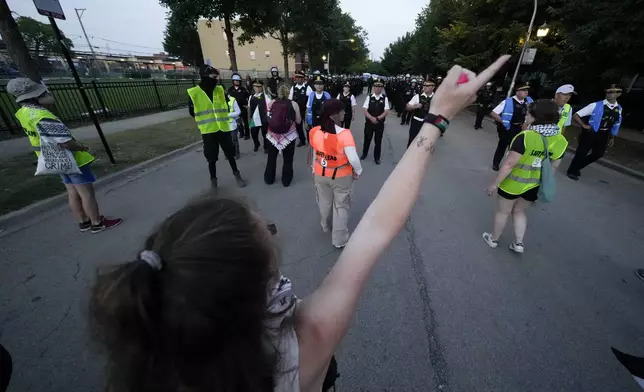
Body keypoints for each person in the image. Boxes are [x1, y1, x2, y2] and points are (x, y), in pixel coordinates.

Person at [88, 55, 510, 392]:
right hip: (339, 178)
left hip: (323, 178)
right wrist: (438, 119)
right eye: (268, 231)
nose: (273, 230)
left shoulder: (148, 361)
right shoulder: (298, 351)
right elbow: (378, 225)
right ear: (258, 280)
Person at [7, 78, 123, 233]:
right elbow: (65, 142)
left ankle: (83, 222)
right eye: (42, 92)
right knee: (86, 193)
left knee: (72, 191)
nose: (46, 94)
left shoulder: (23, 113)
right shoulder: (42, 115)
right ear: (34, 96)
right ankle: (97, 222)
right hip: (71, 159)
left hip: (53, 159)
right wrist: (82, 147)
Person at [483, 99, 568, 253]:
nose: (526, 117)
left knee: (503, 211)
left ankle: (493, 239)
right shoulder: (561, 140)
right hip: (534, 186)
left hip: (513, 183)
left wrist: (494, 184)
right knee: (520, 211)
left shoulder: (526, 136)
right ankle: (519, 243)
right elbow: (554, 166)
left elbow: (509, 164)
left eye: (528, 114)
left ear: (536, 118)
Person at [309, 99, 363, 249]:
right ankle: (339, 240)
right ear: (334, 114)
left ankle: (325, 224)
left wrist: (314, 168)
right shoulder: (344, 134)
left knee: (324, 201)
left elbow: (315, 153)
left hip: (320, 174)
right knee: (341, 206)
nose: (344, 113)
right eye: (342, 111)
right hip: (341, 176)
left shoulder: (315, 131)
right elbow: (353, 158)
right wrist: (358, 171)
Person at [188, 65, 246, 188]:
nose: (215, 79)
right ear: (204, 77)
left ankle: (237, 175)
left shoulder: (219, 90)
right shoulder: (194, 93)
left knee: (230, 154)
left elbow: (225, 104)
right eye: (213, 77)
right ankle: (213, 181)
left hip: (223, 129)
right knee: (211, 158)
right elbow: (192, 112)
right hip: (208, 131)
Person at [566, 84, 623, 181]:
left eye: (612, 92)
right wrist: (583, 125)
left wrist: (612, 137)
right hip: (591, 132)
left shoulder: (619, 109)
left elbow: (616, 123)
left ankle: (577, 166)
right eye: (608, 92)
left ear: (618, 94)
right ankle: (572, 171)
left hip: (604, 134)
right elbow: (576, 115)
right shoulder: (595, 105)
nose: (609, 94)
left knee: (598, 153)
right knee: (582, 153)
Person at [490, 83, 533, 171]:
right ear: (517, 92)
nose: (526, 92)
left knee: (516, 149)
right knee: (502, 147)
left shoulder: (529, 101)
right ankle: (496, 163)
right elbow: (494, 113)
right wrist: (503, 121)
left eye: (527, 91)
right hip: (508, 128)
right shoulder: (508, 101)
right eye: (523, 90)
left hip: (521, 129)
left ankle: (511, 166)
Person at [265, 84, 301, 187]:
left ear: (278, 92)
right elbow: (298, 121)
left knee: (271, 158)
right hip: (288, 136)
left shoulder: (272, 102)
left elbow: (268, 118)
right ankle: (286, 180)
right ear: (289, 92)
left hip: (272, 135)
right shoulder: (294, 104)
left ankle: (269, 179)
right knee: (288, 159)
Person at [360, 77, 390, 164]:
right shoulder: (369, 97)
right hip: (369, 123)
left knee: (378, 141)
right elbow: (365, 109)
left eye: (380, 87)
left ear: (382, 88)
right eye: (376, 86)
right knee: (367, 139)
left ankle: (377, 158)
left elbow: (386, 111)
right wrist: (371, 118)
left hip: (379, 124)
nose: (378, 88)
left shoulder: (385, 98)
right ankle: (364, 154)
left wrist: (377, 118)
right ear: (373, 87)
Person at [405, 79, 435, 147]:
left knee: (425, 144)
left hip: (429, 124)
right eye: (424, 85)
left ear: (433, 87)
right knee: (412, 141)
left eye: (427, 86)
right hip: (416, 122)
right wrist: (415, 107)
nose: (425, 87)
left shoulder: (436, 98)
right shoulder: (417, 96)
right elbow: (407, 106)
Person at [289, 70, 313, 147]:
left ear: (303, 79)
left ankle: (310, 141)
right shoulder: (293, 87)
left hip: (305, 110)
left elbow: (311, 99)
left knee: (307, 126)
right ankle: (302, 140)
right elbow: (290, 99)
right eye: (297, 77)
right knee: (298, 126)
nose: (298, 79)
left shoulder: (307, 87)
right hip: (296, 111)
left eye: (300, 77)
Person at [248, 79, 271, 154]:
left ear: (262, 87)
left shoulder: (266, 97)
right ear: (253, 87)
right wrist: (249, 119)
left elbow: (269, 108)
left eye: (259, 87)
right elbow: (249, 108)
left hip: (263, 118)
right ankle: (256, 144)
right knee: (253, 133)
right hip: (254, 119)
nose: (257, 88)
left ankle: (266, 147)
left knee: (265, 134)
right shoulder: (251, 97)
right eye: (255, 86)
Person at [227, 72, 251, 140]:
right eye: (235, 80)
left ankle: (247, 134)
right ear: (233, 81)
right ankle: (241, 133)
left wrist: (247, 105)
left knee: (245, 122)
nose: (236, 82)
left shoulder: (243, 89)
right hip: (235, 109)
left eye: (237, 81)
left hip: (243, 107)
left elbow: (248, 97)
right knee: (238, 122)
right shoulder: (230, 90)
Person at [227, 93, 242, 160]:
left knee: (234, 140)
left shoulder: (232, 100)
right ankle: (229, 154)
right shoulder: (218, 100)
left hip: (232, 124)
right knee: (226, 141)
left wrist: (228, 115)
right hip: (223, 125)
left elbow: (238, 112)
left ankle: (236, 153)